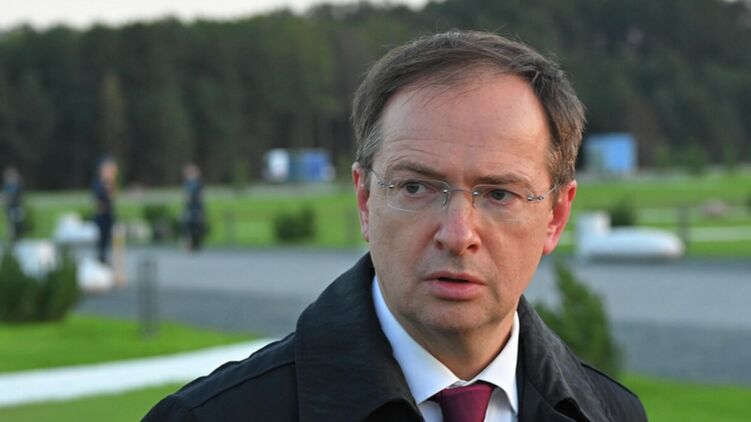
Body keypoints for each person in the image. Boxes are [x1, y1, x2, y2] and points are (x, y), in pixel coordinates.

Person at [145, 30, 646, 421]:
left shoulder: (614, 414)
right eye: (417, 187)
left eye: (499, 194)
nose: (458, 235)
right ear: (365, 199)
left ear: (555, 216)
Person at [92, 157, 117, 264]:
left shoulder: (109, 183)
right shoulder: (98, 184)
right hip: (102, 217)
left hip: (108, 216)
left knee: (109, 240)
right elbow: (101, 201)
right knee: (102, 241)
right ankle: (102, 259)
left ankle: (106, 259)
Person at [182, 163, 206, 251]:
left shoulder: (194, 184)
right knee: (192, 230)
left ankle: (190, 246)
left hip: (193, 210)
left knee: (191, 230)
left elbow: (189, 198)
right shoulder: (195, 183)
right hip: (195, 210)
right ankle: (192, 246)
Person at [3, 166, 25, 243]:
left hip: (16, 208)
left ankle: (15, 240)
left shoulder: (17, 185)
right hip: (11, 209)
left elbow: (13, 197)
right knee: (10, 226)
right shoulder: (8, 186)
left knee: (15, 226)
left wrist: (6, 198)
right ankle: (12, 241)